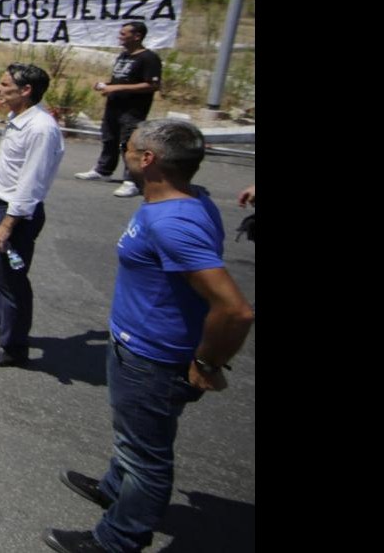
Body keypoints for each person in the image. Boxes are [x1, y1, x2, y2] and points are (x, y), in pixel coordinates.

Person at [44, 120, 254, 553]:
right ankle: (114, 487)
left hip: (152, 358)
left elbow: (235, 309)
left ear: (147, 159)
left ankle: (118, 540)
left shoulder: (174, 222)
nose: (123, 152)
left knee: (147, 458)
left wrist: (206, 365)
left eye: (128, 147)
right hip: (135, 344)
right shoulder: (185, 200)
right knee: (132, 438)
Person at [0, 63, 65, 367]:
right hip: (0, 203)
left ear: (26, 90)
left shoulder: (41, 129)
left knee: (13, 279)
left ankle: (14, 346)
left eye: (5, 85)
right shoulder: (18, 117)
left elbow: (31, 182)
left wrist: (7, 224)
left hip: (15, 213)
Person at [76, 22, 163, 199]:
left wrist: (117, 89)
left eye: (124, 34)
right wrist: (107, 86)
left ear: (137, 36)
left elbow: (152, 85)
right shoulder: (123, 56)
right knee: (109, 139)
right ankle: (103, 170)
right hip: (114, 106)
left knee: (128, 144)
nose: (120, 37)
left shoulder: (149, 58)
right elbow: (122, 80)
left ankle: (132, 180)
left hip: (133, 110)